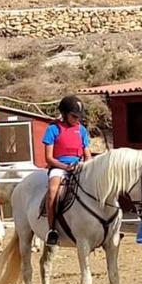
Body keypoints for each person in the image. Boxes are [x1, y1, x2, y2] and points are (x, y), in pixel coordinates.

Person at [41, 95, 93, 246]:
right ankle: (52, 229)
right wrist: (65, 167)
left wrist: (87, 166)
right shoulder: (53, 129)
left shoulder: (81, 130)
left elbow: (88, 154)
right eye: (74, 116)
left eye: (79, 117)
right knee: (52, 192)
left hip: (79, 166)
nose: (77, 120)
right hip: (59, 167)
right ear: (64, 114)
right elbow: (48, 158)